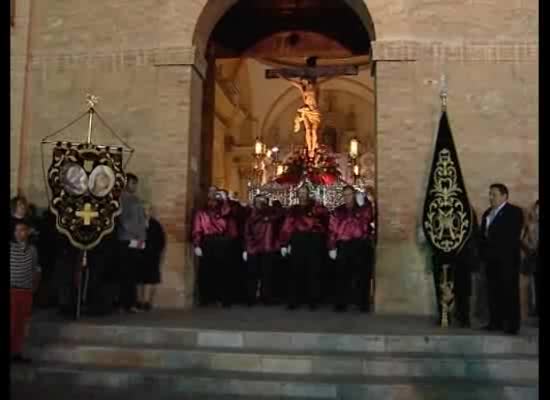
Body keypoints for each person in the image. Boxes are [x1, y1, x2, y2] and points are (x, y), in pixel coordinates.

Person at [480, 183, 524, 335]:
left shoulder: (514, 212)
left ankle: (512, 325)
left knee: (509, 291)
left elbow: (511, 235)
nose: (490, 197)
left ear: (504, 196)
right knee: (493, 291)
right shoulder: (487, 213)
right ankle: (495, 322)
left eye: (494, 194)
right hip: (491, 260)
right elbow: (483, 235)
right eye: (490, 194)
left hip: (507, 260)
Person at [279, 186, 329, 310]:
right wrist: (284, 243)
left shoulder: (315, 207)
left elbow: (323, 219)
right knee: (295, 271)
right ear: (297, 194)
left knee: (313, 271)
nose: (302, 195)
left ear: (308, 194)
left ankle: (313, 300)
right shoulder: (293, 209)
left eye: (304, 192)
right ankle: (294, 300)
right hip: (298, 241)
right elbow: (287, 226)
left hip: (313, 240)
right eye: (300, 192)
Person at [327, 187, 374, 312]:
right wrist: (332, 247)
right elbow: (332, 230)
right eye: (345, 195)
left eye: (350, 194)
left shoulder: (362, 208)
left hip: (360, 244)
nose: (348, 197)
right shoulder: (338, 211)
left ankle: (362, 303)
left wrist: (364, 204)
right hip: (344, 244)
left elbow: (369, 217)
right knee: (342, 275)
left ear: (354, 195)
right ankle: (341, 303)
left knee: (362, 275)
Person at [192, 189, 239, 307]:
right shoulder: (201, 212)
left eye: (215, 197)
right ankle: (206, 298)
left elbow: (229, 213)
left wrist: (224, 199)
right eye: (210, 197)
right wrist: (197, 244)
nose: (212, 200)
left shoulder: (223, 210)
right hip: (207, 242)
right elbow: (197, 229)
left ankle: (224, 298)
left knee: (224, 271)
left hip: (223, 242)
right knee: (206, 272)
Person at [10, 220, 41, 363]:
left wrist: (34, 286)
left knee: (21, 325)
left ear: (27, 232)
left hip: (26, 291)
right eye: (16, 230)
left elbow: (35, 269)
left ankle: (17, 353)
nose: (19, 233)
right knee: (12, 322)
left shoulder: (32, 250)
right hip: (12, 290)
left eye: (22, 230)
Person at [117, 173, 147, 314]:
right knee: (126, 273)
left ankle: (131, 303)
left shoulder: (136, 199)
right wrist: (136, 234)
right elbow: (124, 220)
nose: (135, 186)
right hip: (127, 239)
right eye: (132, 183)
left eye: (136, 183)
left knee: (133, 273)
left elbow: (141, 219)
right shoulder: (123, 199)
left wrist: (142, 237)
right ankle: (125, 303)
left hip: (136, 240)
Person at [243, 195, 279, 306]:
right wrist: (246, 247)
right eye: (258, 201)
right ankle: (251, 298)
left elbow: (277, 225)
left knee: (267, 274)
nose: (260, 204)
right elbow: (246, 232)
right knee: (252, 274)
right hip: (253, 247)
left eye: (263, 201)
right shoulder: (250, 215)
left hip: (267, 247)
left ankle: (266, 297)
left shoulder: (271, 215)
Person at [136, 203, 166, 311]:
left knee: (151, 280)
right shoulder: (138, 223)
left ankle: (148, 302)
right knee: (139, 280)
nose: (146, 212)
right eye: (144, 209)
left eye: (148, 210)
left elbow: (161, 241)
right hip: (140, 255)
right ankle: (139, 300)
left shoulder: (156, 225)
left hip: (152, 256)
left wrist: (156, 251)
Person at [520, 200, 539, 320]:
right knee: (534, 285)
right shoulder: (531, 225)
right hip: (534, 261)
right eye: (536, 209)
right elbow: (527, 242)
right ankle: (536, 309)